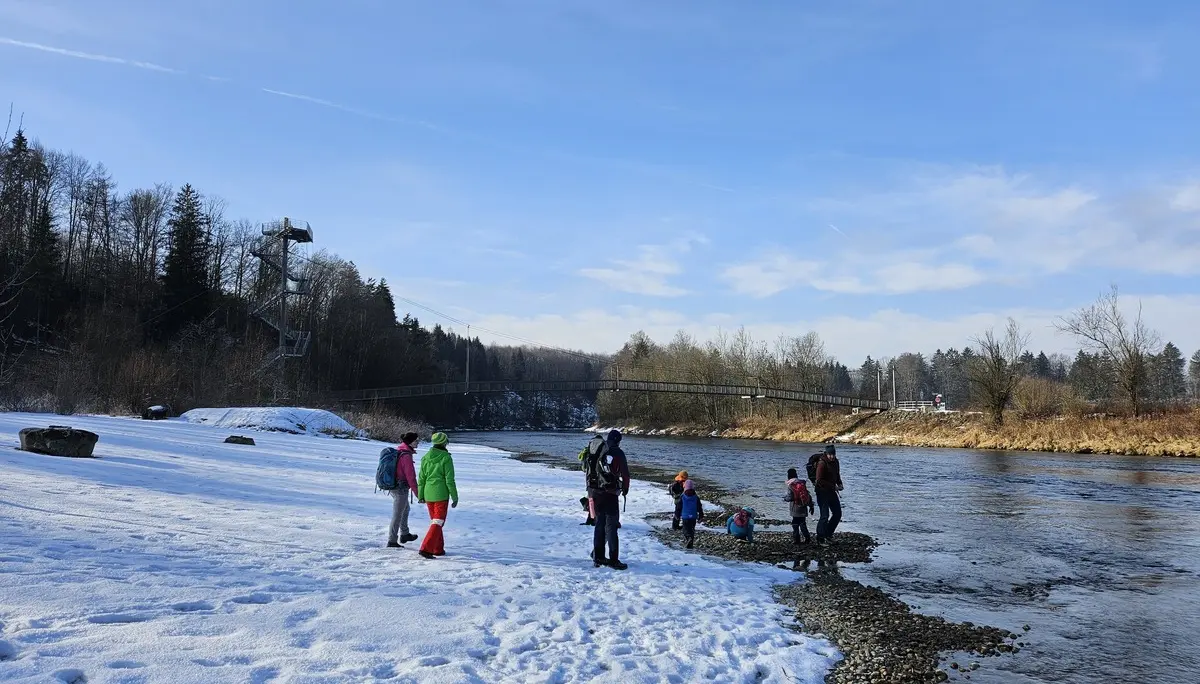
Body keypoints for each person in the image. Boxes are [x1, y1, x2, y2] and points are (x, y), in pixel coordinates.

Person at [587, 429, 630, 570]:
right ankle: (613, 560)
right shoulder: (618, 453)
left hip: (595, 492)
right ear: (618, 440)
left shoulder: (599, 449)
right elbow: (625, 474)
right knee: (611, 527)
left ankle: (598, 557)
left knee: (599, 525)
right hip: (610, 493)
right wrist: (625, 489)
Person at [416, 432, 458, 559]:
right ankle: (426, 548)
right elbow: (449, 480)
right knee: (438, 522)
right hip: (441, 494)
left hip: (428, 494)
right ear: (444, 443)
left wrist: (420, 495)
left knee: (436, 522)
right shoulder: (446, 458)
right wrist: (455, 496)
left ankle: (438, 549)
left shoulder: (425, 457)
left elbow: (421, 478)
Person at [387, 432, 421, 547]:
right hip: (400, 488)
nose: (418, 442)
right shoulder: (406, 455)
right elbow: (411, 477)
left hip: (396, 486)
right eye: (416, 440)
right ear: (410, 442)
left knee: (405, 509)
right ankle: (392, 541)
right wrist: (418, 494)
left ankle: (405, 534)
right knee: (398, 514)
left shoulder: (400, 450)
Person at [814, 444, 844, 544]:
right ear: (826, 454)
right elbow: (819, 480)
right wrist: (833, 486)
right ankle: (820, 538)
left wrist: (839, 483)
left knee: (837, 514)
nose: (832, 456)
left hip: (832, 492)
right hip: (821, 491)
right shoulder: (822, 463)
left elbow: (837, 474)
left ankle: (828, 534)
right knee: (824, 516)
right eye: (830, 455)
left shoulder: (836, 462)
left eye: (833, 454)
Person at [784, 467, 815, 546]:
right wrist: (811, 505)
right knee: (802, 523)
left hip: (795, 508)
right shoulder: (802, 483)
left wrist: (785, 499)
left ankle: (796, 539)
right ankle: (807, 538)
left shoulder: (791, 485)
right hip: (803, 507)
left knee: (795, 524)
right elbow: (807, 495)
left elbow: (790, 497)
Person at [678, 479, 704, 549]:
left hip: (685, 516)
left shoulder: (682, 497)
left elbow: (678, 507)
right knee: (692, 529)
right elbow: (699, 507)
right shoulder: (696, 497)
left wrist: (677, 516)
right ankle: (691, 543)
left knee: (685, 530)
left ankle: (688, 538)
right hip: (693, 517)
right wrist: (701, 516)